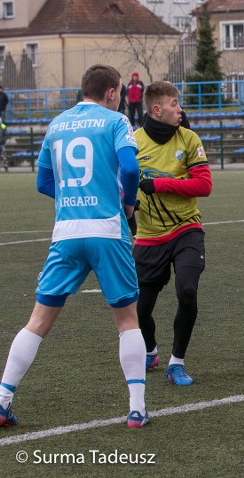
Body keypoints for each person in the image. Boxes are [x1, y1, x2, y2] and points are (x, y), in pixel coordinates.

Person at [0, 64, 149, 429]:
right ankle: (136, 408)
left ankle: (2, 400)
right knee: (127, 319)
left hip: (66, 232)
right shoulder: (116, 122)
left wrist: (72, 197)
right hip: (106, 230)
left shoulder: (57, 124)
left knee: (37, 321)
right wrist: (127, 202)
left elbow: (43, 182)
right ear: (113, 93)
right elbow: (130, 169)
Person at [133, 81, 212, 386]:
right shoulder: (133, 142)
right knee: (139, 310)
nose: (181, 109)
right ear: (157, 109)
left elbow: (204, 186)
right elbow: (122, 184)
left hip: (186, 230)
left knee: (188, 292)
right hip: (149, 236)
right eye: (174, 103)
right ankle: (151, 351)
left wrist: (160, 184)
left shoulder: (189, 139)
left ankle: (176, 363)